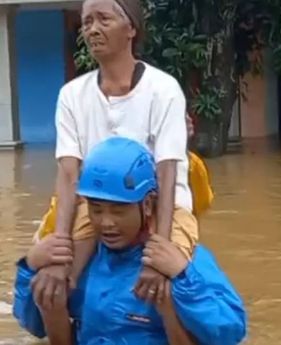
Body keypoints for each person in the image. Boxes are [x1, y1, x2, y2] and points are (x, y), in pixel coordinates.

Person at [37, 0, 199, 304]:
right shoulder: (71, 95)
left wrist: (159, 250)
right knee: (55, 282)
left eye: (103, 20)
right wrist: (59, 247)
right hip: (96, 206)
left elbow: (167, 173)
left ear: (131, 29)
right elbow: (69, 174)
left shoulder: (163, 90)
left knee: (172, 284)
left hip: (158, 204)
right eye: (87, 22)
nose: (93, 30)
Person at [13, 137, 246, 345]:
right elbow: (34, 326)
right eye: (96, 209)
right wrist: (30, 267)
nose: (106, 222)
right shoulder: (78, 262)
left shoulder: (182, 261)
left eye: (118, 210)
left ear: (146, 205)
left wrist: (183, 280)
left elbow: (230, 332)